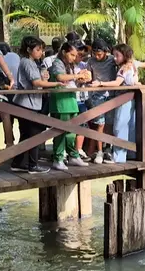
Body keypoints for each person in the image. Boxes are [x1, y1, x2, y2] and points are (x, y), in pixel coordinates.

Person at [11, 36, 63, 174]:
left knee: (26, 135)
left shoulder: (31, 62)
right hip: (27, 103)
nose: (41, 53)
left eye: (41, 50)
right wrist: (56, 83)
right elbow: (36, 82)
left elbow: (38, 80)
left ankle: (18, 162)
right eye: (38, 50)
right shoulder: (27, 62)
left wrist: (44, 78)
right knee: (34, 134)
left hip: (28, 102)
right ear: (29, 50)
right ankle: (33, 165)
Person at [110, 44, 145, 162]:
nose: (115, 58)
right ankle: (130, 154)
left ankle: (119, 157)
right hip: (132, 99)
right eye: (114, 55)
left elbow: (117, 82)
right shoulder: (133, 64)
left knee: (120, 126)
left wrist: (100, 83)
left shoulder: (125, 68)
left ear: (125, 55)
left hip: (124, 99)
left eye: (117, 55)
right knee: (129, 126)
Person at [49, 42, 91, 170]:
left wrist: (81, 79)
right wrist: (78, 75)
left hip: (72, 99)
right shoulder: (57, 63)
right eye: (72, 55)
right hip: (61, 101)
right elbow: (60, 77)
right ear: (64, 52)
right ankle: (58, 158)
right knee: (60, 131)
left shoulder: (70, 65)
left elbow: (71, 81)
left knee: (72, 130)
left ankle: (73, 155)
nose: (74, 57)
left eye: (75, 55)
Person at [84, 39, 117, 163]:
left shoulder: (112, 60)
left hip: (111, 95)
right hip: (97, 96)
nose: (97, 56)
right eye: (95, 54)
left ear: (105, 52)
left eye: (99, 54)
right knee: (100, 123)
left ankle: (108, 148)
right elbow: (88, 77)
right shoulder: (91, 61)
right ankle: (99, 151)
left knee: (110, 124)